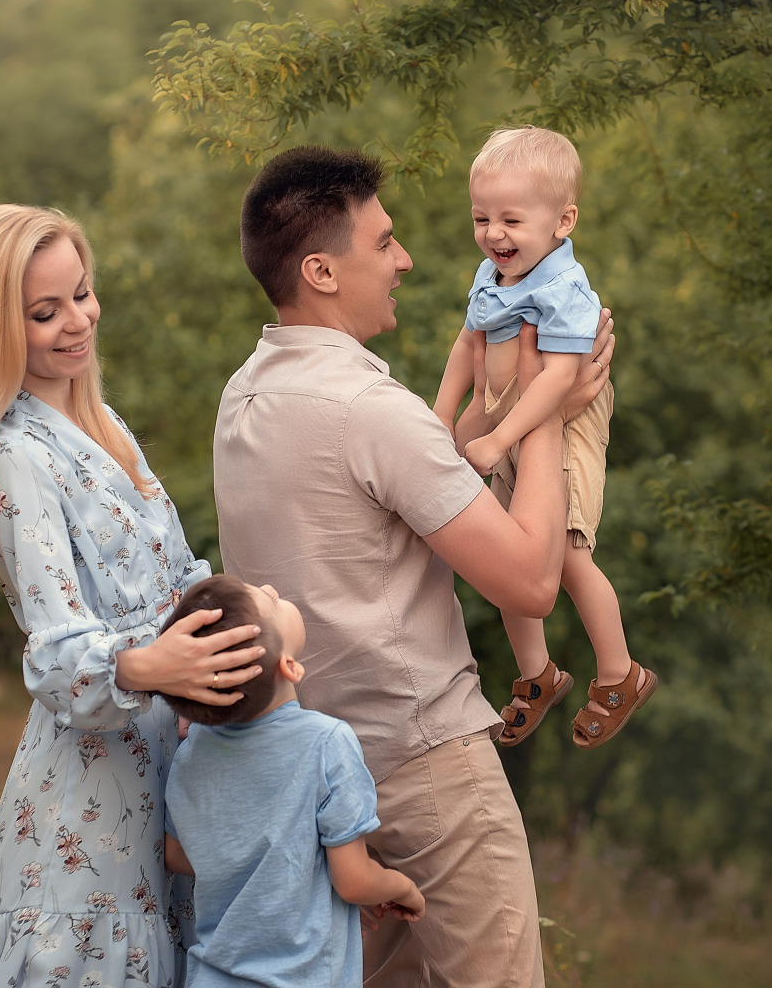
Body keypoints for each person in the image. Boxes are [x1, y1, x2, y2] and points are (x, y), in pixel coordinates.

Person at [212, 146, 614, 987]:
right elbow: (531, 583)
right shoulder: (371, 412)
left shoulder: (243, 397)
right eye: (384, 242)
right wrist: (547, 410)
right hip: (428, 770)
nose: (406, 260)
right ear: (322, 270)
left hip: (322, 777)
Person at [0, 204, 267, 988]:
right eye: (44, 312)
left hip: (177, 756)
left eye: (83, 294)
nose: (77, 321)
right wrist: (153, 662)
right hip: (97, 786)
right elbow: (61, 655)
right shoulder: (12, 453)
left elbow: (178, 581)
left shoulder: (103, 423)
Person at [432, 126, 656, 750]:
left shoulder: (563, 290)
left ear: (563, 220)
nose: (494, 234)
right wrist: (441, 415)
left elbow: (562, 376)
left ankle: (619, 672)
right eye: (481, 218)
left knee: (565, 554)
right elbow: (467, 342)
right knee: (510, 552)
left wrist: (500, 435)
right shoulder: (493, 274)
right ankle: (538, 672)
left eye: (511, 220)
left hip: (564, 423)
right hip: (508, 420)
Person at [158, 574, 425, 988]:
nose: (270, 590)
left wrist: (251, 858)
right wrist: (403, 887)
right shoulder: (326, 744)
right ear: (291, 666)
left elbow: (177, 855)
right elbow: (354, 881)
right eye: (272, 604)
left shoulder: (192, 753)